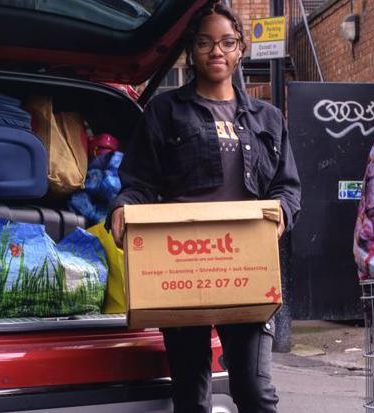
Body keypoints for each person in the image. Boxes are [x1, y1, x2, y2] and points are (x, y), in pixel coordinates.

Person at [108, 2, 301, 412]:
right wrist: (123, 209)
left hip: (246, 265)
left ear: (241, 49)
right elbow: (140, 182)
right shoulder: (165, 111)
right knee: (191, 395)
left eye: (227, 42)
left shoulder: (268, 118)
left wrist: (282, 213)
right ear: (190, 52)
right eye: (205, 43)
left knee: (253, 391)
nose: (217, 51)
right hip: (182, 265)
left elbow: (287, 187)